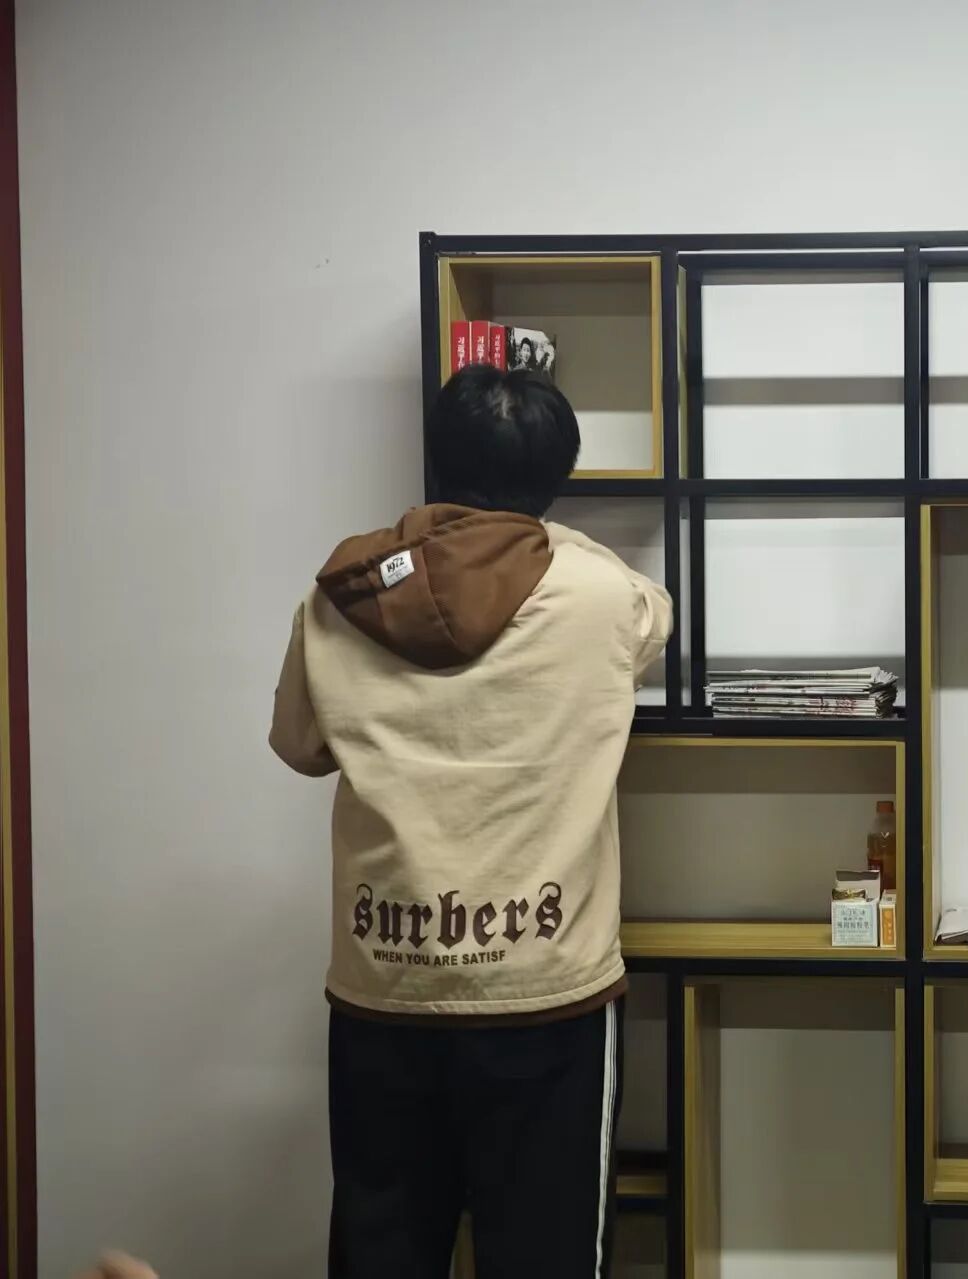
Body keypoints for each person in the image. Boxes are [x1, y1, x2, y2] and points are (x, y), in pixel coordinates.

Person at [270, 365, 672, 1279]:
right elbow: (659, 617)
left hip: (385, 987)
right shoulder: (600, 594)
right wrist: (550, 535)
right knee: (546, 1256)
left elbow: (299, 744)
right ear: (554, 481)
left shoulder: (339, 594)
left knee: (383, 1252)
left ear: (438, 462)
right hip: (544, 989)